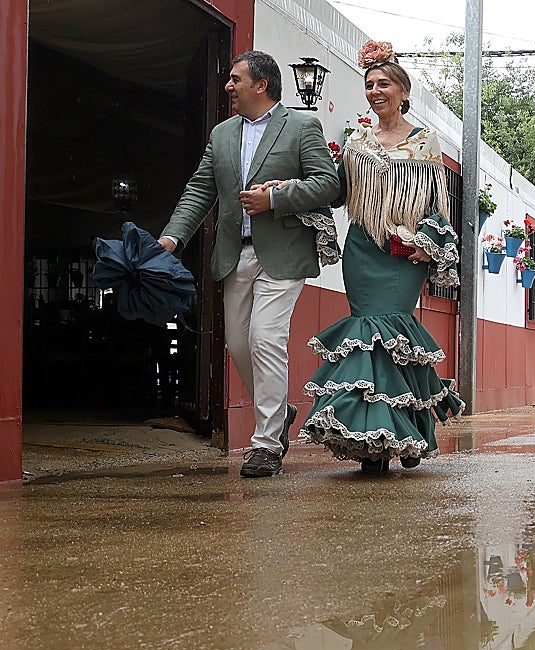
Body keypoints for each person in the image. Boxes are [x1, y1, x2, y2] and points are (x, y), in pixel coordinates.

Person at [159, 51, 340, 478]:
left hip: (284, 252)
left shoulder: (301, 125)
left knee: (265, 338)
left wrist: (276, 198)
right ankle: (280, 411)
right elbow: (200, 190)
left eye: (236, 78)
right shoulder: (222, 134)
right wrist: (171, 237)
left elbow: (328, 184)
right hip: (233, 252)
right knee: (238, 345)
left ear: (262, 85)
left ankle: (266, 445)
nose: (228, 85)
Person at [292, 41, 463, 474]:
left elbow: (434, 204)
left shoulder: (425, 140)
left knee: (395, 338)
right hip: (363, 249)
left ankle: (404, 432)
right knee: (367, 341)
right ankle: (377, 444)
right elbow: (337, 192)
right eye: (369, 84)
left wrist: (422, 240)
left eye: (383, 83)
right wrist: (292, 192)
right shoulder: (357, 139)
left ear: (403, 90)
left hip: (402, 253)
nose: (374, 91)